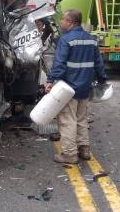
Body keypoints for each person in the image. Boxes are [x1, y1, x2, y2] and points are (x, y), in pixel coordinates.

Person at [46, 9, 107, 164]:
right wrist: (102, 80)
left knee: (67, 120)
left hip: (69, 88)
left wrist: (50, 80)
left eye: (63, 20)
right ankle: (84, 149)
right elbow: (99, 64)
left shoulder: (65, 40)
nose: (61, 22)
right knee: (81, 118)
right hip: (85, 87)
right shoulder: (91, 40)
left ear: (70, 22)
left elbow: (59, 63)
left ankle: (70, 154)